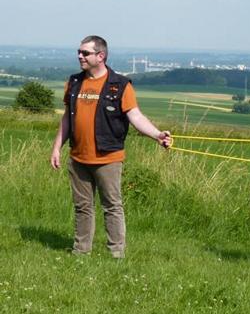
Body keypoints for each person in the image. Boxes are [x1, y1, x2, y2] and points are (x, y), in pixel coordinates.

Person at [50, 36, 171, 259]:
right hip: (78, 157)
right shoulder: (74, 82)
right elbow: (67, 117)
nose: (80, 56)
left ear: (101, 56)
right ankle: (80, 252)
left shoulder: (120, 85)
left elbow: (135, 116)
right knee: (82, 207)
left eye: (85, 53)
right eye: (79, 52)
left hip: (108, 158)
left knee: (112, 206)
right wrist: (57, 147)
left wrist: (157, 135)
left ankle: (116, 254)